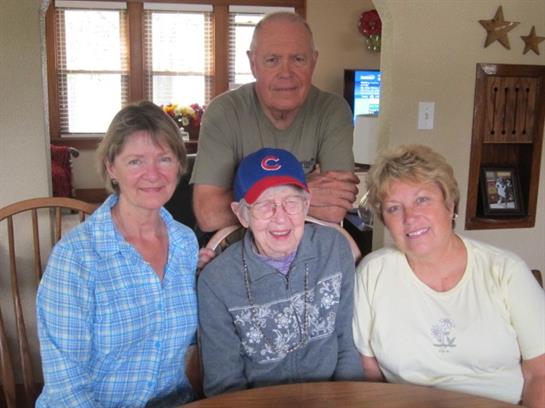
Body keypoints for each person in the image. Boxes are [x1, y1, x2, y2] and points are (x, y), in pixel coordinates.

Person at [352, 144, 545, 407]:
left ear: (449, 204)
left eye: (422, 200)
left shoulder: (506, 271)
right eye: (394, 208)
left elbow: (539, 374)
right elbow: (368, 369)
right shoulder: (373, 273)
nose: (410, 217)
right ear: (385, 220)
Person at [36, 101, 199, 407]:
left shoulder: (185, 243)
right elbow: (67, 392)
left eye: (164, 158)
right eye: (135, 161)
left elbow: (187, 340)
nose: (153, 174)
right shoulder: (75, 258)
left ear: (179, 164)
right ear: (112, 167)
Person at [198, 147, 364, 396]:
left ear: (306, 205)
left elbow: (347, 344)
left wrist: (344, 400)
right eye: (264, 205)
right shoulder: (217, 281)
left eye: (291, 203)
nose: (280, 218)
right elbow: (224, 383)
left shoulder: (334, 249)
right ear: (242, 214)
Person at [191, 11, 359, 232]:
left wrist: (252, 198)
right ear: (253, 63)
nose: (286, 73)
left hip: (306, 246)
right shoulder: (224, 112)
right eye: (272, 60)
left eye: (298, 59)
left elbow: (334, 209)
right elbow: (209, 214)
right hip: (235, 246)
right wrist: (303, 190)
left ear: (313, 62)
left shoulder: (332, 110)